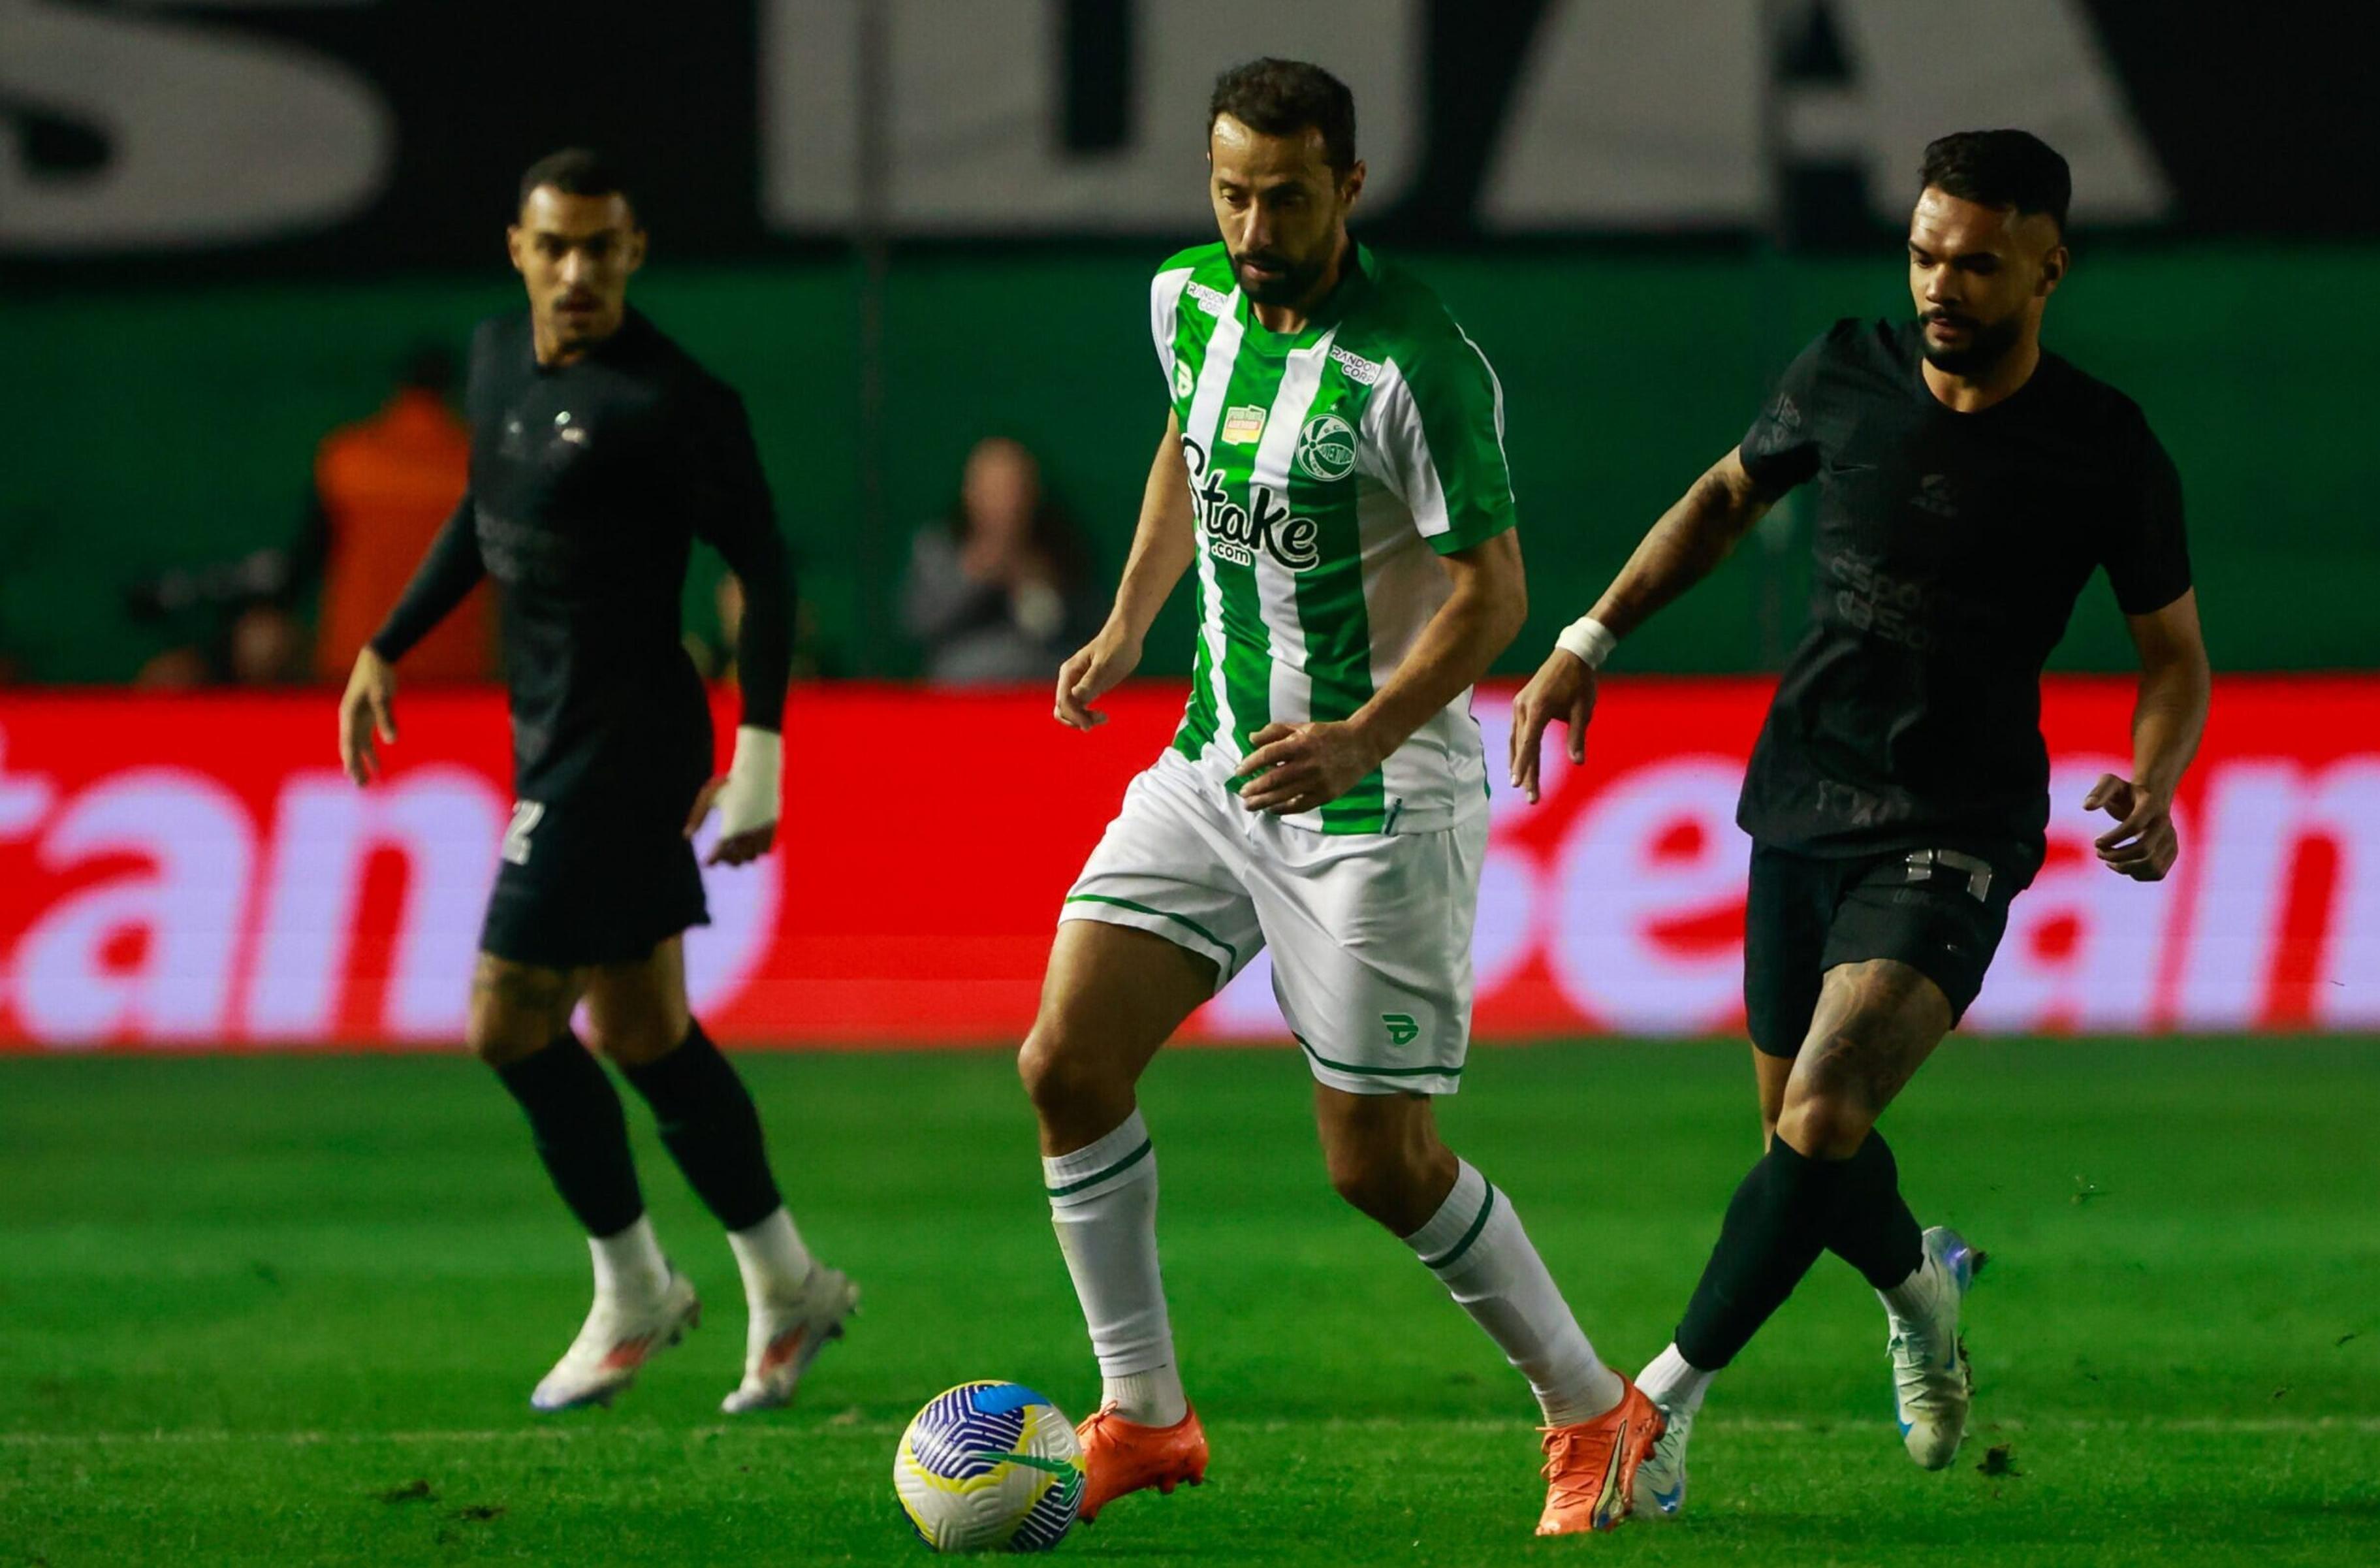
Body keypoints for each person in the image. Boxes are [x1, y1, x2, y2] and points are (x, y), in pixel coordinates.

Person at [1510, 130, 2212, 1518]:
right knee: (1797, 1140)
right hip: (1803, 799)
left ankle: (1652, 1413)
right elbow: (1724, 498)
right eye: (1926, 254)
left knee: (1823, 1115)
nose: (1942, 285)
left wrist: (2158, 772)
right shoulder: (1845, 369)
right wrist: (1590, 635)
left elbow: (2174, 656)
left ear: (2048, 269)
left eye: (1979, 263)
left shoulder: (2101, 445)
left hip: (1957, 819)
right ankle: (1921, 1285)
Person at [1021, 59, 1664, 1537]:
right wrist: (1128, 623)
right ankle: (1144, 1414)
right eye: (1230, 191)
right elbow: (1188, 446)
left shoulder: (1416, 364)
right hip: (1214, 757)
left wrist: (1361, 737)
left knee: (1376, 1164)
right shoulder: (1185, 302)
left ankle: (1592, 1410)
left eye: (1285, 195)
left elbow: (1490, 595)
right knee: (1065, 1064)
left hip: (1377, 800)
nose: (1252, 223)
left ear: (1347, 189)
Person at [335, 149, 855, 1415]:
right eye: (555, 247)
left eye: (602, 250)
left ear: (635, 256)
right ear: (517, 247)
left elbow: (766, 571)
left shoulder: (673, 401)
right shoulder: (495, 358)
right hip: (550, 727)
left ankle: (633, 1289)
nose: (577, 273)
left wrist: (762, 752)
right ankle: (786, 1283)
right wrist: (388, 642)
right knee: (640, 1031)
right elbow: (487, 508)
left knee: (505, 1021)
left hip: (626, 743)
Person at [310, 345, 488, 684]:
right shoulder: (480, 465)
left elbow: (313, 551)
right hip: (454, 669)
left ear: (400, 387)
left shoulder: (348, 458)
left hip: (357, 662)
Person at [900, 437, 1102, 684]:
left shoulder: (1061, 551)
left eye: (1012, 488)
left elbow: (1090, 632)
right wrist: (972, 577)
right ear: (970, 492)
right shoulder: (938, 548)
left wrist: (1035, 585)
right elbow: (916, 624)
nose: (1004, 502)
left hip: (1042, 693)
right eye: (992, 489)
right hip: (958, 694)